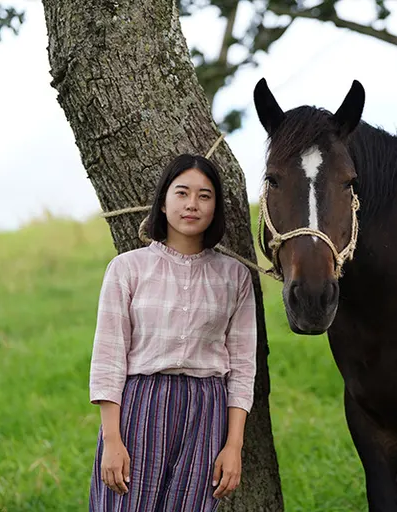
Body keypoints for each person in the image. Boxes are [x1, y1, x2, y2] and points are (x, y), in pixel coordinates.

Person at [88, 154, 257, 511]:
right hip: (140, 408)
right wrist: (112, 440)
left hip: (207, 411)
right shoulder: (127, 269)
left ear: (216, 208)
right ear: (163, 203)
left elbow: (243, 368)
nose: (192, 204)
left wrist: (233, 446)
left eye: (205, 196)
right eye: (182, 193)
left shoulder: (234, 277)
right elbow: (108, 358)